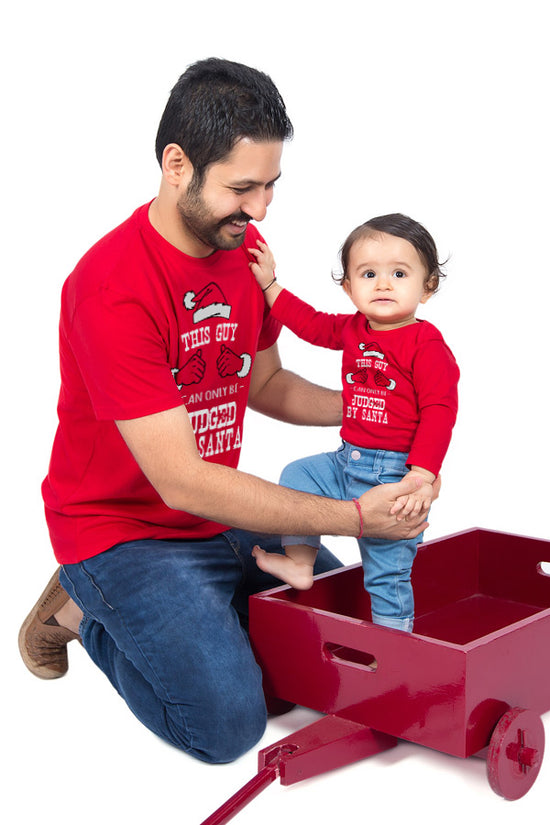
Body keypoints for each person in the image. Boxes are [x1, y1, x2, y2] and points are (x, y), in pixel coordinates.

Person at [19, 59, 431, 764]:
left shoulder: (240, 255)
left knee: (340, 641)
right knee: (227, 726)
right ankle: (80, 608)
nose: (262, 209)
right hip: (122, 531)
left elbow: (264, 382)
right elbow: (180, 479)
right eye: (243, 187)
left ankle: (194, 618)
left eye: (271, 185)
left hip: (215, 517)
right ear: (176, 165)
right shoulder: (111, 288)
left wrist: (373, 408)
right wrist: (357, 517)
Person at [249, 214, 459, 632]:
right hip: (347, 461)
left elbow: (440, 411)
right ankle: (300, 563)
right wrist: (271, 286)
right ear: (349, 287)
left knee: (386, 574)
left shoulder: (426, 343)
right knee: (298, 475)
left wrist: (422, 473)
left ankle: (394, 643)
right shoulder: (353, 328)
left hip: (394, 474)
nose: (383, 284)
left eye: (399, 273)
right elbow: (309, 324)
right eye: (368, 274)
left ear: (428, 286)